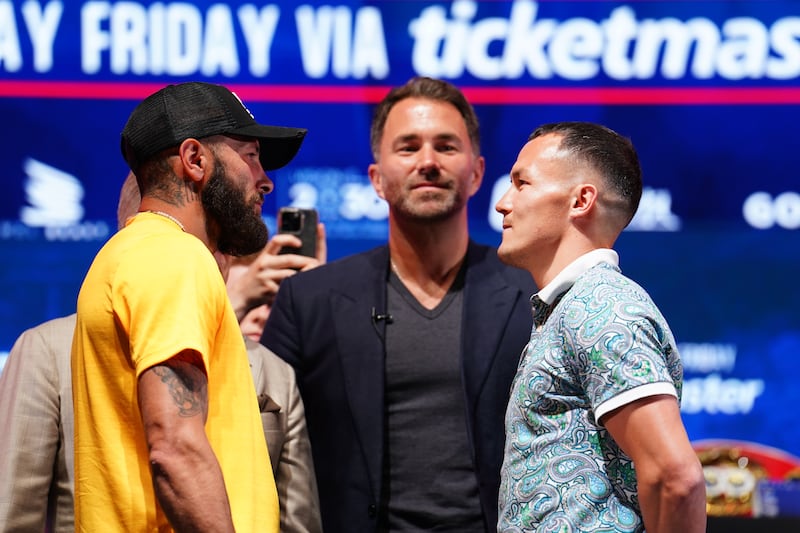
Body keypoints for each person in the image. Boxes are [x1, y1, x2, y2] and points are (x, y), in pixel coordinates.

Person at [261, 76, 537, 532]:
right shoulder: (309, 300)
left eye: (446, 146)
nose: (427, 162)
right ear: (376, 178)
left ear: (477, 173)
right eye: (408, 147)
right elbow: (263, 452)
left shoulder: (534, 295)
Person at [0, 171, 323, 533]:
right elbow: (12, 511)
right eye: (189, 233)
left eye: (221, 237)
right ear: (132, 231)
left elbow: (298, 522)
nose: (205, 252)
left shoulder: (273, 371)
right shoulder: (46, 350)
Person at [70, 81, 307, 532]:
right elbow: (175, 447)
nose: (266, 180)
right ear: (195, 160)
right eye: (251, 156)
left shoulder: (127, 254)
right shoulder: (173, 256)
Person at [494, 121, 706, 532]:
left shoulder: (601, 308)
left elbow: (676, 478)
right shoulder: (571, 308)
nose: (504, 203)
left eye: (522, 184)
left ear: (581, 200)